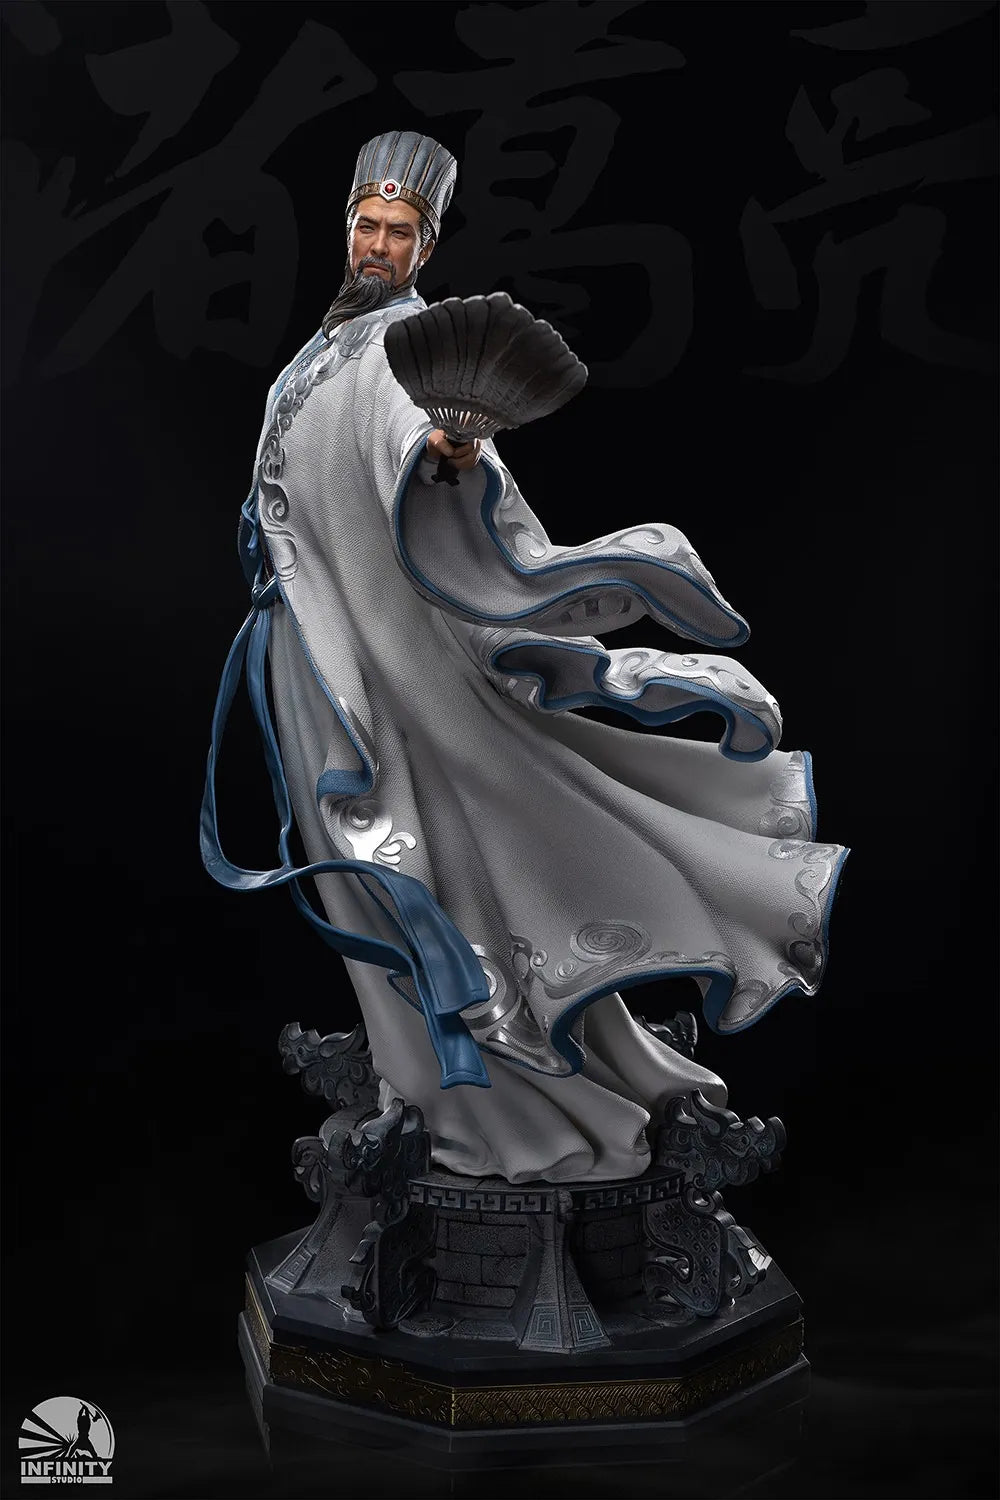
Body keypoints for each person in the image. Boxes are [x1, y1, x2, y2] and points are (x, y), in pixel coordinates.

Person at [202, 130, 848, 1185]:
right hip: (316, 654)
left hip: (385, 670)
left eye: (397, 233)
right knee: (384, 877)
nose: (376, 246)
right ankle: (425, 1082)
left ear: (426, 247)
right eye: (365, 226)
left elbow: (418, 448)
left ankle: (494, 1113)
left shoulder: (398, 349)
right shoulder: (325, 346)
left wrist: (446, 456)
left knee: (415, 870)